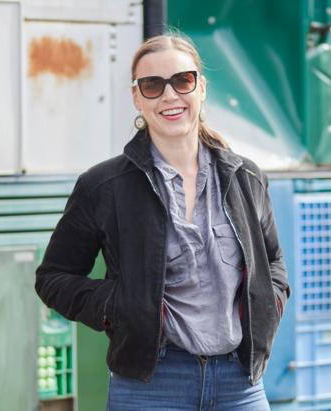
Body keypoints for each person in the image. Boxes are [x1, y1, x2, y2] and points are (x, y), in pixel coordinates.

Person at [35, 33, 290, 410]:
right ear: (137, 97)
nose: (170, 96)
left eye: (182, 81)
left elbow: (273, 265)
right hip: (151, 385)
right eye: (152, 85)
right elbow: (53, 277)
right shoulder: (104, 186)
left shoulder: (244, 178)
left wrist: (270, 308)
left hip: (239, 384)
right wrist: (117, 307)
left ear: (201, 88)